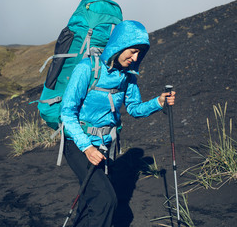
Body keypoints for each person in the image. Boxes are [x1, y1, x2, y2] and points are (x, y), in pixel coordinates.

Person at [60, 20, 176, 227]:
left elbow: (134, 109)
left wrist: (158, 102)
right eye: (132, 51)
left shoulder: (127, 77)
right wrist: (86, 147)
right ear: (120, 45)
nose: (135, 58)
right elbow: (67, 113)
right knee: (106, 200)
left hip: (106, 146)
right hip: (78, 144)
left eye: (139, 54)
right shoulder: (87, 68)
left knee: (90, 201)